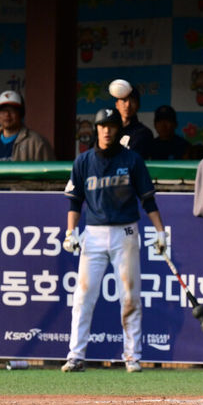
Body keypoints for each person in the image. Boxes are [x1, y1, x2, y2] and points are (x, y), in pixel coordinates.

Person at [60, 108, 168, 373]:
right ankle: (76, 356)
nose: (106, 130)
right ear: (96, 129)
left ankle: (132, 357)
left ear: (119, 129)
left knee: (130, 297)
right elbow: (75, 201)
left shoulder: (132, 160)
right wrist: (70, 232)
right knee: (83, 296)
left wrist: (160, 231)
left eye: (111, 125)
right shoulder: (83, 161)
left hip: (126, 233)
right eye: (102, 126)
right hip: (94, 234)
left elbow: (148, 199)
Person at [0, 90, 57, 162]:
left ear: (21, 113)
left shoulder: (37, 143)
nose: (7, 114)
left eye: (12, 110)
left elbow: (50, 175)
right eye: (3, 111)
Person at [109, 79, 153, 156]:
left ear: (138, 105)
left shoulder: (144, 133)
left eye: (132, 101)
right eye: (124, 100)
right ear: (117, 104)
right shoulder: (107, 131)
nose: (128, 105)